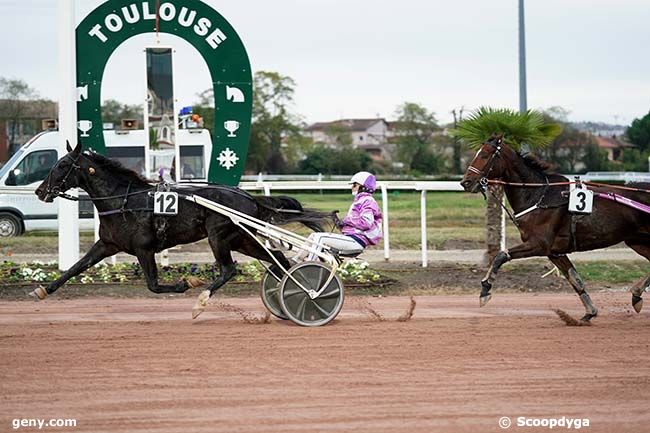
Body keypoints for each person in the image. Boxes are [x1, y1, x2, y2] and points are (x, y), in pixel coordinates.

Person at [294, 171, 383, 262]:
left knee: (319, 238)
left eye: (354, 185)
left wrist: (345, 221)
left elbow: (366, 223)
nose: (352, 187)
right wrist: (339, 224)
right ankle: (296, 260)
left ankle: (310, 265)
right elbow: (354, 225)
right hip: (352, 238)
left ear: (363, 187)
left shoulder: (368, 201)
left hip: (357, 241)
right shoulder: (360, 200)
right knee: (313, 236)